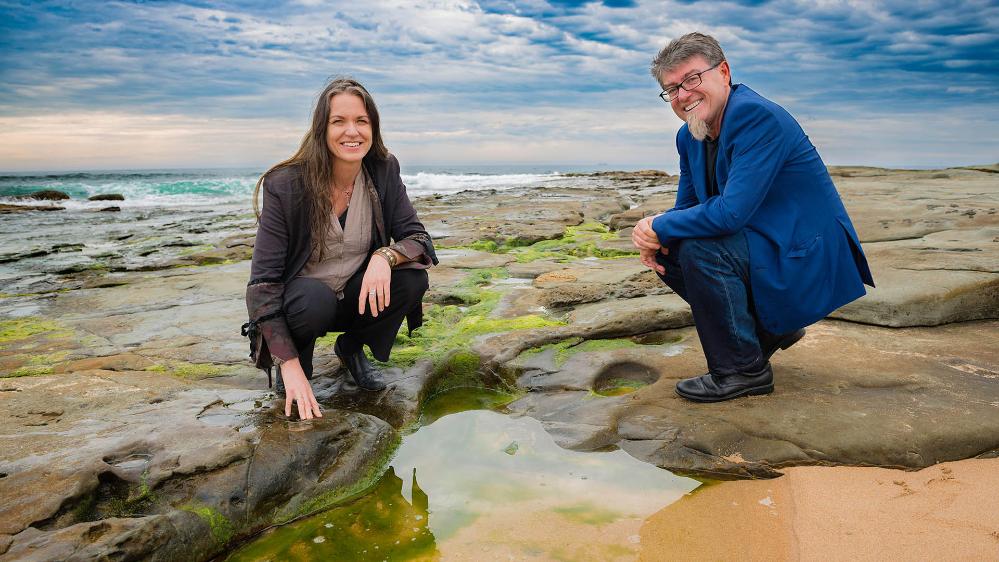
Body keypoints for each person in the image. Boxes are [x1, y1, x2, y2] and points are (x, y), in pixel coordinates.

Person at [632, 32, 874, 403]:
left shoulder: (753, 115)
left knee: (701, 249)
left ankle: (743, 371)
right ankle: (769, 331)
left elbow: (730, 214)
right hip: (768, 243)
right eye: (672, 89)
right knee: (673, 248)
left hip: (806, 253)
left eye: (692, 79)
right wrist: (657, 237)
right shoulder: (689, 136)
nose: (683, 95)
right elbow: (688, 206)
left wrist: (656, 224)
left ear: (723, 72)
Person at [243, 77, 437, 420]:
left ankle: (351, 347)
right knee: (313, 298)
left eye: (361, 121)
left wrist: (385, 255)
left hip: (353, 296)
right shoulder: (286, 184)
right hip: (302, 307)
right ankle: (299, 358)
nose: (352, 132)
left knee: (411, 280)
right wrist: (287, 363)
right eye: (339, 121)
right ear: (322, 129)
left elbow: (418, 238)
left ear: (373, 128)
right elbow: (262, 285)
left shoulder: (383, 170)